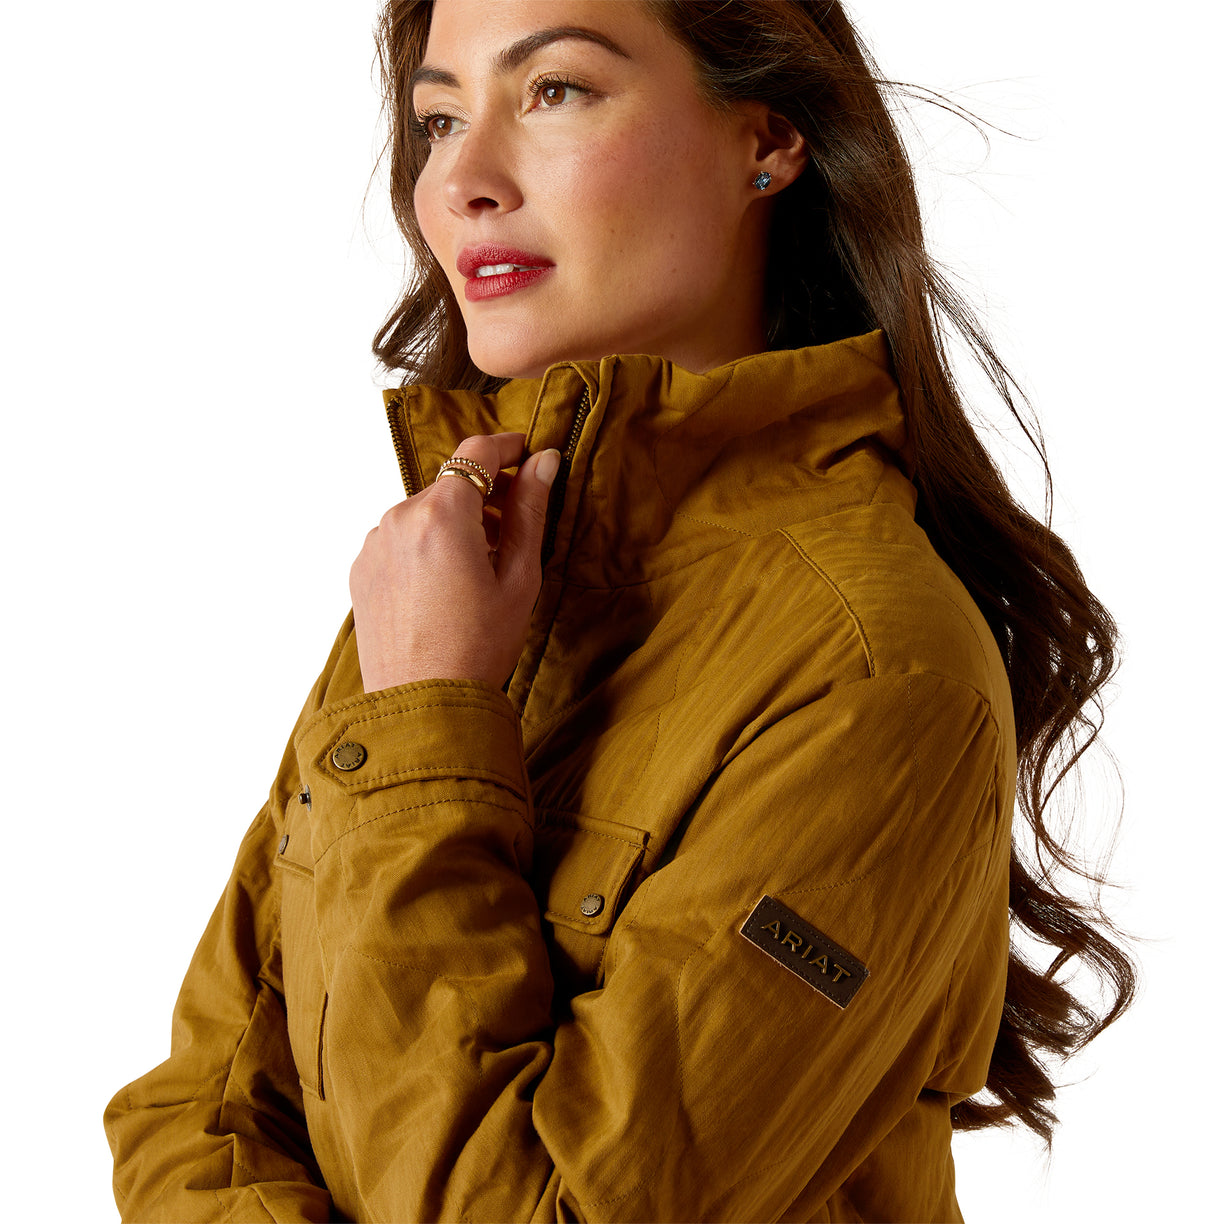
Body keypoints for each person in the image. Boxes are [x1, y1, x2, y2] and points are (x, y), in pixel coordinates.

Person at [104, 1, 1135, 1220]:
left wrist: (432, 714)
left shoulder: (878, 668)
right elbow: (198, 1111)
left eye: (556, 91)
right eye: (439, 119)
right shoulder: (461, 580)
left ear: (767, 141)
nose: (463, 182)